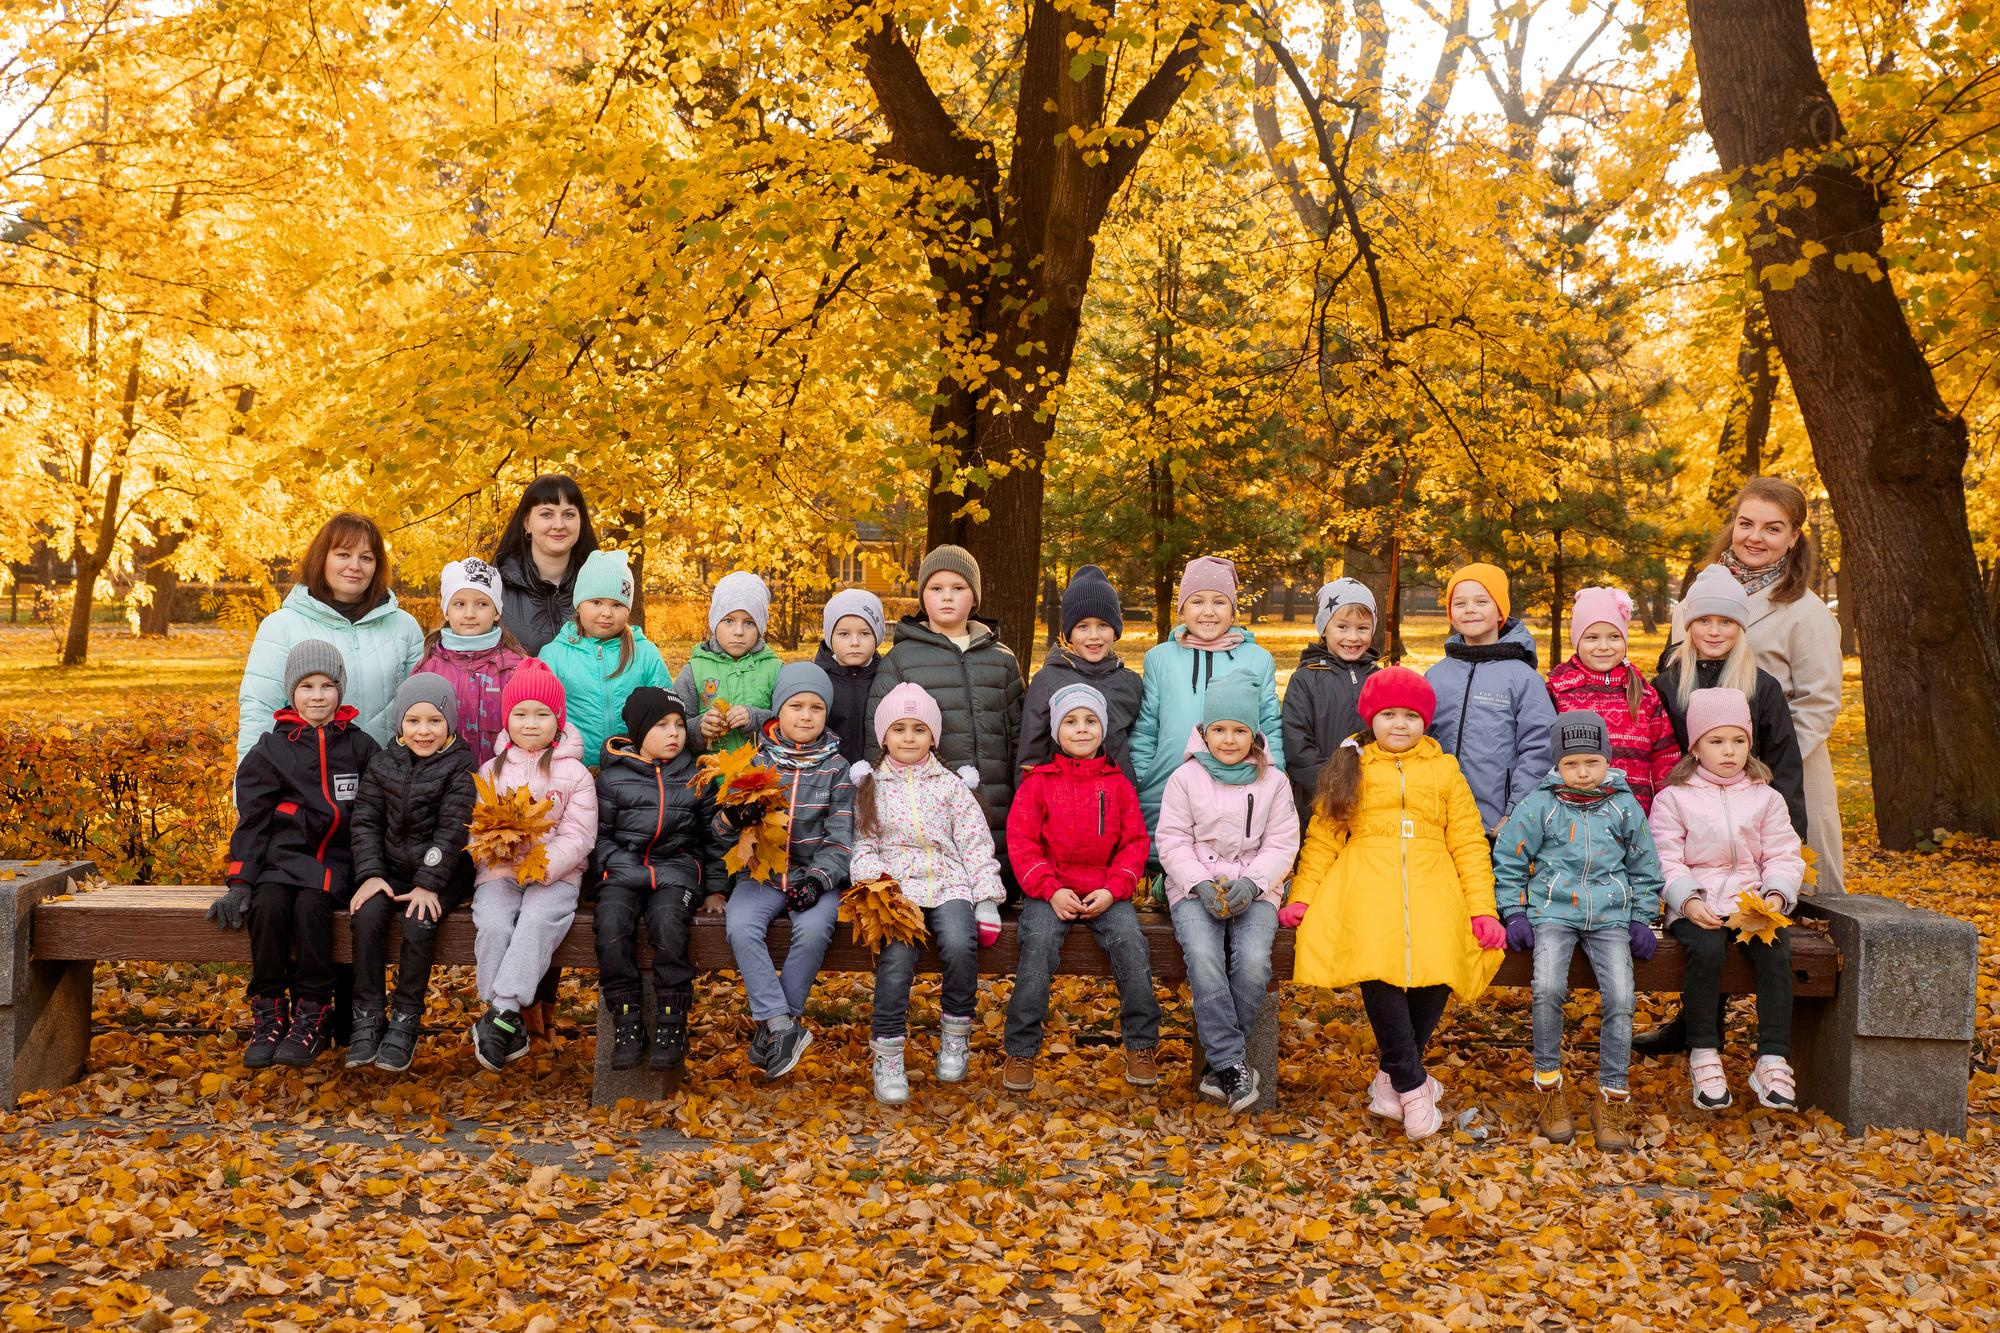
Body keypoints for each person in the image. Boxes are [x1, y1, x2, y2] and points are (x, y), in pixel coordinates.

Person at [1282, 667, 1505, 1140]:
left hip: (1433, 881)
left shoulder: (1445, 770)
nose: (1399, 725)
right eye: (1388, 715)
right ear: (1371, 718)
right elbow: (1323, 839)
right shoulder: (1351, 766)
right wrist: (1302, 897)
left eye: (1410, 716)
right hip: (1365, 881)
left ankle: (1391, 1081)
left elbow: (1467, 841)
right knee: (1377, 962)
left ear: (1425, 722)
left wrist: (1482, 908)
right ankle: (1413, 1084)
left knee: (1443, 959)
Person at [1638, 564, 1811, 1061]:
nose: (1715, 631)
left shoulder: (1762, 687)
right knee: (1704, 935)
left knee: (1752, 932)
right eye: (1704, 620)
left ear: (1741, 628)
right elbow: (1660, 757)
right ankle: (1698, 1029)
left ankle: (1754, 1044)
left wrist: (1791, 844)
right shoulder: (1669, 684)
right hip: (1689, 830)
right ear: (1688, 625)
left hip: (1752, 829)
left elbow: (1784, 766)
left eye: (1727, 622)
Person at [1493, 712, 1665, 1150]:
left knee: (1622, 997)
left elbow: (1645, 865)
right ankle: (1550, 1090)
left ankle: (1611, 1097)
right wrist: (1514, 912)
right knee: (1548, 987)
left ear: (1607, 759)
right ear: (1557, 765)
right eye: (1572, 764)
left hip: (1610, 916)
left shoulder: (1624, 805)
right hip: (1553, 911)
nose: (1583, 772)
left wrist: (1641, 917)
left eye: (1592, 761)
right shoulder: (1541, 804)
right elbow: (1510, 858)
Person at [211, 642, 380, 1068]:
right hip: (279, 864)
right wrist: (240, 881)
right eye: (307, 686)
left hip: (335, 868)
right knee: (266, 909)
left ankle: (313, 1010)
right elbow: (253, 821)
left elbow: (376, 814)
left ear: (340, 691)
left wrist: (375, 870)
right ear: (292, 692)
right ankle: (268, 1007)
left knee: (310, 910)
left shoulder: (360, 748)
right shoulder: (272, 748)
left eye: (327, 685)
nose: (318, 695)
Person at [1649, 688, 1807, 1111]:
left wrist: (1776, 892)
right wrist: (1686, 899)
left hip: (1751, 902)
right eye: (1716, 741)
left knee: (1775, 952)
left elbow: (1782, 853)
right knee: (1705, 951)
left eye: (1738, 741)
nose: (1729, 751)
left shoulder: (1765, 796)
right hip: (1696, 901)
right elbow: (1666, 858)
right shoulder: (1674, 797)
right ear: (1696, 746)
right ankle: (1703, 1052)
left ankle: (1772, 1057)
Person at [850, 684, 1006, 1104]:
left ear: (933, 737)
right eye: (898, 729)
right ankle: (887, 1054)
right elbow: (863, 846)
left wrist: (986, 895)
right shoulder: (872, 786)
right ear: (884, 736)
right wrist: (873, 883)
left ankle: (955, 1034)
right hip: (896, 889)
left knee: (958, 944)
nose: (908, 737)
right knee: (897, 964)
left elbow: (974, 842)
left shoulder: (951, 785)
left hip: (948, 881)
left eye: (918, 729)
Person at [1003, 683, 1162, 1094]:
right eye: (1071, 722)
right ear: (1056, 731)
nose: (1081, 729)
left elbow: (1134, 844)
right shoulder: (1038, 783)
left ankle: (1141, 1045)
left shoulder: (1117, 783)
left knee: (1130, 940)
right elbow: (1022, 843)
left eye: (1090, 721)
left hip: (1105, 892)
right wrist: (1049, 888)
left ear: (1103, 729)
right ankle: (1021, 1049)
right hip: (1050, 892)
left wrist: (1115, 889)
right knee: (1036, 944)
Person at [1689, 478, 1845, 893]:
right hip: (1703, 775)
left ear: (1794, 537)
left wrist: (1758, 762)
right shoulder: (1698, 596)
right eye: (1746, 524)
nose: (1755, 538)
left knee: (1788, 896)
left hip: (1781, 774)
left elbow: (1819, 704)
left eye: (1773, 528)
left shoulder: (1806, 613)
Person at [1156, 674, 1301, 1114]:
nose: (1229, 739)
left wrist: (1254, 883)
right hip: (1193, 888)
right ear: (1203, 731)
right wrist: (1198, 882)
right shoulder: (1185, 778)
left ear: (1254, 734)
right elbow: (1173, 840)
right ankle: (1234, 1064)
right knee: (1203, 957)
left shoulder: (1273, 781)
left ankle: (1220, 1065)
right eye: (1219, 729)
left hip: (1256, 889)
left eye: (1240, 730)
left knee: (1254, 960)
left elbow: (1282, 843)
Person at [722, 663, 856, 1081]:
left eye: (816, 707)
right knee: (741, 925)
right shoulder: (755, 763)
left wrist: (819, 879)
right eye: (796, 705)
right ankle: (782, 1024)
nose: (805, 715)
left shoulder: (839, 770)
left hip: (814, 880)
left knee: (815, 929)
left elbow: (841, 837)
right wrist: (731, 817)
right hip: (760, 874)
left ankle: (778, 1024)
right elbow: (719, 830)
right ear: (779, 711)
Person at [468, 661, 599, 1072]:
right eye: (521, 713)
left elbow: (579, 834)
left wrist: (546, 865)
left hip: (554, 877)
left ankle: (500, 1014)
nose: (530, 723)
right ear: (507, 719)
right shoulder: (492, 770)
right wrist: (492, 849)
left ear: (558, 721)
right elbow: (478, 827)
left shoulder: (574, 772)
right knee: (492, 922)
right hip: (500, 873)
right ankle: (503, 1015)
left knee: (537, 921)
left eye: (542, 714)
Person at [864, 545, 1025, 882]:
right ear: (923, 597)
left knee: (994, 900)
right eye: (936, 588)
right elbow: (877, 742)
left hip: (996, 812)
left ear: (975, 597)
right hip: (925, 822)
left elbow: (1019, 739)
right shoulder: (901, 659)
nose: (947, 597)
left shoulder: (1002, 659)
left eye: (958, 588)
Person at [345, 673, 479, 1073]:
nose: (424, 731)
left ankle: (406, 1020)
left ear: (449, 724)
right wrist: (370, 874)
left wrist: (427, 883)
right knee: (366, 916)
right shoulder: (383, 762)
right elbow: (365, 821)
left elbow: (453, 829)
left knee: (418, 922)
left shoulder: (461, 765)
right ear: (400, 724)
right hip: (389, 870)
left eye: (434, 721)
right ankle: (367, 1016)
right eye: (414, 721)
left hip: (444, 873)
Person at [593, 688, 726, 1073]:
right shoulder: (614, 779)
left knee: (670, 925)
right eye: (662, 725)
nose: (674, 734)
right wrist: (617, 866)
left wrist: (716, 888)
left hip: (676, 871)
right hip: (621, 872)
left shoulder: (696, 776)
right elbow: (598, 836)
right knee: (612, 925)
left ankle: (672, 1020)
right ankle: (627, 1020)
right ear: (638, 732)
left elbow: (712, 837)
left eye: (680, 725)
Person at [236, 513, 423, 764]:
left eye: (366, 557)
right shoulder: (281, 626)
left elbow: (423, 708)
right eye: (343, 554)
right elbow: (259, 711)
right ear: (322, 558)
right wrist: (248, 791)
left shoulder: (404, 626)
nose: (355, 566)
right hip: (307, 785)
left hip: (387, 783)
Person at [1129, 555, 1284, 834]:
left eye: (1219, 602)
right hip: (1166, 785)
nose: (1208, 612)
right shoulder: (1160, 659)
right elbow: (1146, 727)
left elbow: (1270, 725)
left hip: (1238, 787)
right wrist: (1144, 776)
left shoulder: (1257, 660)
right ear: (1182, 610)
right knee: (1169, 863)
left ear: (1234, 611)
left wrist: (1276, 777)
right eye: (1198, 601)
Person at [1423, 562, 1555, 835]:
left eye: (1481, 601)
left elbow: (1539, 749)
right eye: (1459, 603)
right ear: (1450, 614)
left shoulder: (1523, 678)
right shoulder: (1435, 677)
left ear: (1500, 612)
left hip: (1495, 823)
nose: (1470, 609)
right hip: (1437, 822)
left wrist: (1516, 810)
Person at [1546, 586, 1679, 813]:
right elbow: (1543, 753)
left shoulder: (1643, 693)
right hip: (1573, 815)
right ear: (1577, 640)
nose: (1604, 646)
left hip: (1635, 816)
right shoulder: (1558, 689)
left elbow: (1665, 756)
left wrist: (1666, 809)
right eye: (1592, 637)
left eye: (1614, 636)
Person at [536, 549, 671, 760]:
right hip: (572, 767)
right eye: (596, 602)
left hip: (633, 767)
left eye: (617, 604)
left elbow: (665, 711)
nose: (606, 613)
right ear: (579, 604)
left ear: (628, 609)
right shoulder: (554, 655)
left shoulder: (645, 653)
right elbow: (539, 713)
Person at [1016, 566, 1144, 786]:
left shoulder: (1130, 682)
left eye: (1103, 625)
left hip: (1118, 804)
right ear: (1069, 633)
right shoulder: (1047, 681)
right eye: (1083, 626)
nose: (1094, 636)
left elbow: (1138, 745)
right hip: (1064, 805)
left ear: (1115, 630)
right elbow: (1031, 757)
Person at [1281, 577, 1382, 826]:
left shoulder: (1379, 679)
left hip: (1374, 801)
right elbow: (1297, 746)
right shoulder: (1305, 679)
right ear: (1324, 628)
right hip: (1320, 802)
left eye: (1362, 628)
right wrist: (1331, 791)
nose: (1353, 637)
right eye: (1343, 627)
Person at [412, 557, 528, 768]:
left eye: (482, 604)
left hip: (503, 786)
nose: (470, 614)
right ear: (446, 610)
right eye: (459, 604)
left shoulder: (517, 668)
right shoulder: (428, 669)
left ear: (497, 612)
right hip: (443, 786)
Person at [672, 571, 783, 754]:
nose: (738, 631)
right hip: (710, 776)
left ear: (761, 627)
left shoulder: (775, 670)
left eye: (749, 623)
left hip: (761, 776)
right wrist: (699, 728)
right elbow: (675, 725)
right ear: (715, 622)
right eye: (729, 621)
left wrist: (754, 718)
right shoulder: (695, 670)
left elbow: (787, 724)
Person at [491, 474, 598, 656]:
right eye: (546, 514)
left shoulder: (601, 583)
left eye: (569, 514)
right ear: (527, 523)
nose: (558, 524)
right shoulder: (494, 587)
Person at [816, 588, 886, 765]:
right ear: (830, 636)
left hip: (877, 774)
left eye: (864, 633)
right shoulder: (817, 679)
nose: (854, 642)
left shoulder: (887, 677)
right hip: (828, 775)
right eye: (844, 634)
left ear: (877, 636)